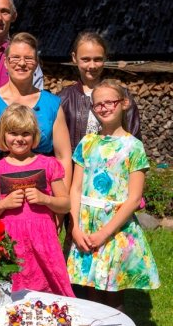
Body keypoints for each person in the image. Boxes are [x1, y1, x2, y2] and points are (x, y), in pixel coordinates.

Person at [66, 79, 160, 311]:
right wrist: (75, 227)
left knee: (112, 293)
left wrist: (104, 233)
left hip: (115, 229)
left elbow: (134, 198)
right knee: (89, 290)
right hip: (86, 228)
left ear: (124, 103)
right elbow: (75, 188)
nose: (104, 108)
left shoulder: (133, 146)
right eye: (98, 104)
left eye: (110, 102)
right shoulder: (87, 143)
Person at [0, 104, 74, 296]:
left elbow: (66, 204)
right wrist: (4, 204)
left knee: (50, 293)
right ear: (3, 135)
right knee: (13, 295)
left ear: (34, 136)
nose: (19, 138)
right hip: (11, 242)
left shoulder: (49, 164)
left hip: (43, 239)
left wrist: (45, 199)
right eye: (13, 133)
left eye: (25, 133)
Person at [0, 32, 72, 189]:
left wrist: (62, 199)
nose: (21, 63)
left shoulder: (51, 104)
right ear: (6, 62)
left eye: (28, 58)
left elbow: (63, 157)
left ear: (36, 64)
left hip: (46, 193)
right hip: (4, 193)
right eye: (15, 57)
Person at [59, 30, 141, 153]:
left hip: (117, 163)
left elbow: (134, 138)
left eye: (97, 59)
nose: (92, 66)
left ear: (105, 58)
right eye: (86, 59)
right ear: (74, 58)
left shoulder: (121, 95)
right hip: (77, 164)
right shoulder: (64, 99)